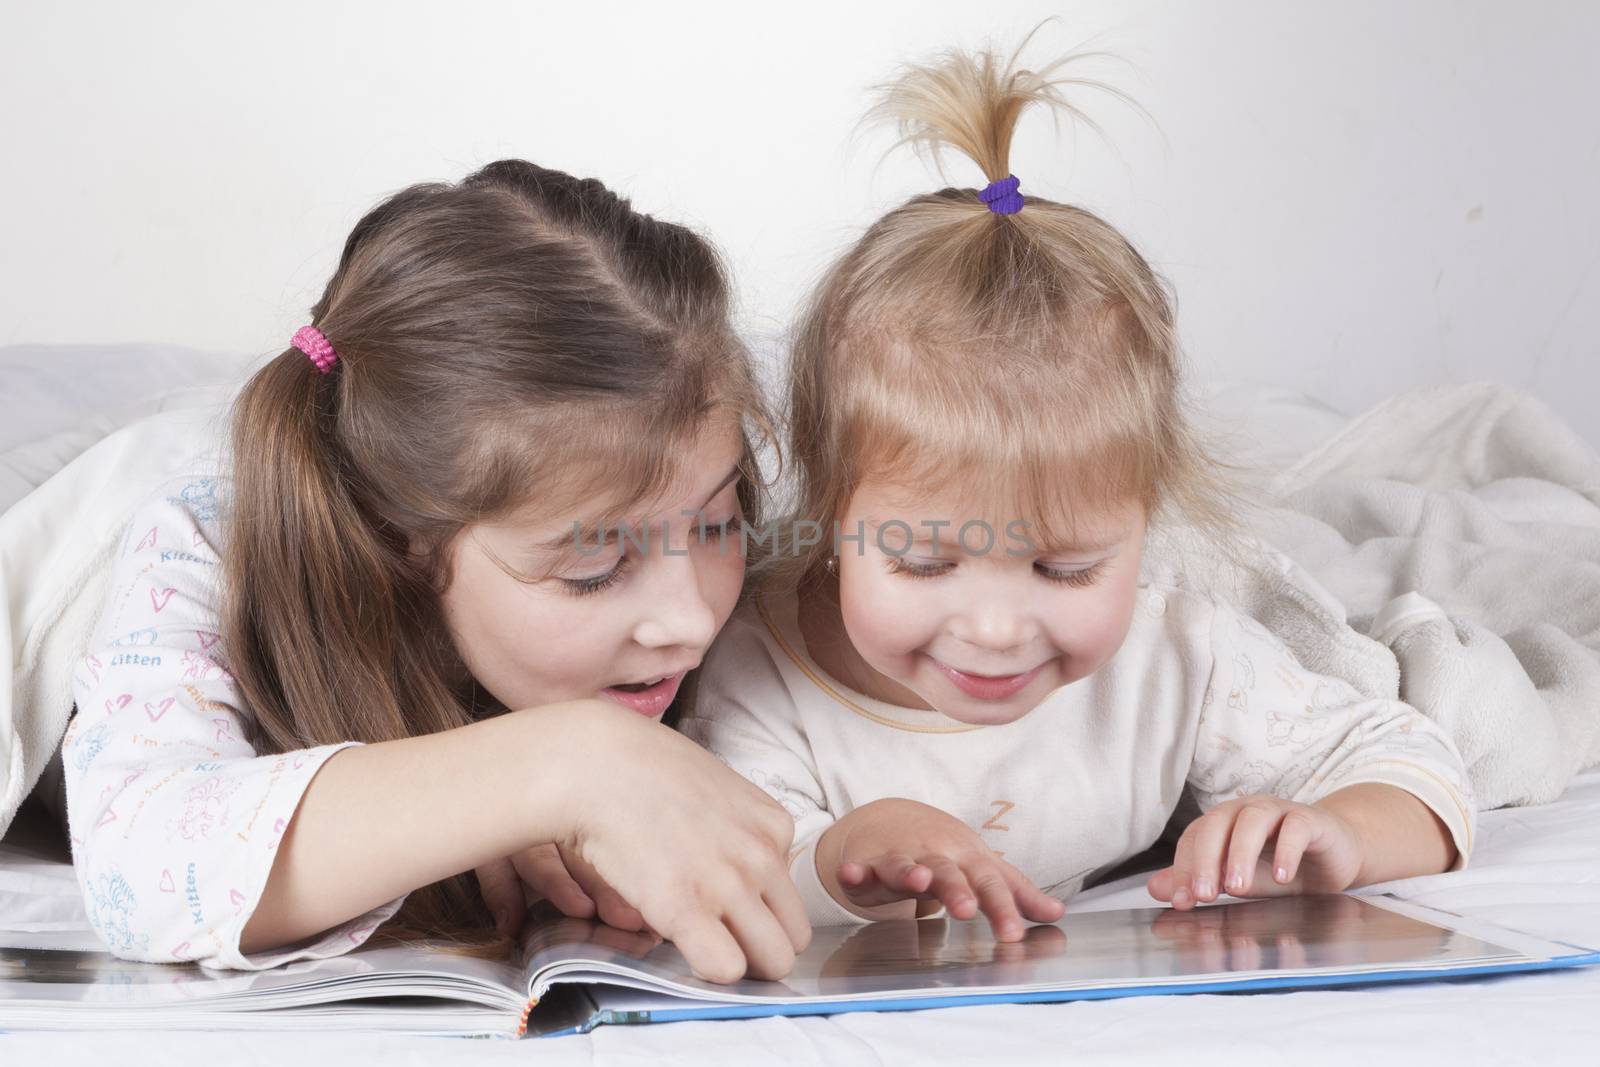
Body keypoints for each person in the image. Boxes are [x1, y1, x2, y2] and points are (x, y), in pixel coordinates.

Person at [681, 43, 1474, 940]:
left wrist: (1337, 834)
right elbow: (719, 857)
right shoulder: (762, 675)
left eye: (1063, 569)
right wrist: (844, 853)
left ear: (1143, 521)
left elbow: (1414, 763)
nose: (996, 628)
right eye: (922, 560)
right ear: (831, 514)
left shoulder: (1176, 651)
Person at [61, 159, 808, 982]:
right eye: (595, 566)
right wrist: (560, 767)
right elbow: (139, 867)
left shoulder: (695, 439)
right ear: (399, 541)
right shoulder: (201, 543)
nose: (693, 618)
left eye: (717, 522)